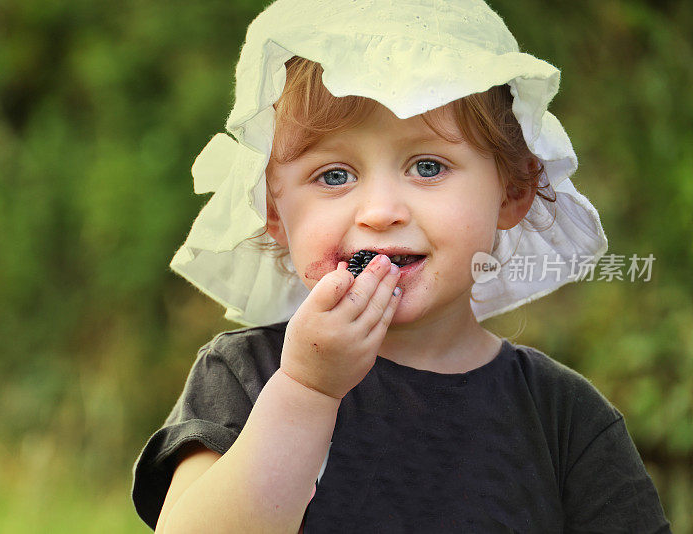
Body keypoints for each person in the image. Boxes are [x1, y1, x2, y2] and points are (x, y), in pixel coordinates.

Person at [132, 0, 672, 532]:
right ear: (275, 212)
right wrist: (306, 392)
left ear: (513, 191)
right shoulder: (243, 376)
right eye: (335, 175)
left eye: (428, 166)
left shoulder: (565, 420)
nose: (381, 212)